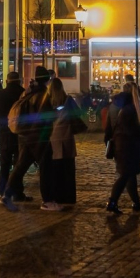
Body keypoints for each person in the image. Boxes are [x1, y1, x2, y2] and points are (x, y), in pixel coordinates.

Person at [1, 67, 51, 212]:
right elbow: (45, 117)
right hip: (37, 136)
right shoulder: (42, 95)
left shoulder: (27, 92)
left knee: (20, 167)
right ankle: (48, 201)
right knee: (46, 167)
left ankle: (7, 194)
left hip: (24, 136)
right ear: (47, 79)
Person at [104, 82, 140, 214]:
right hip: (128, 145)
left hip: (118, 144)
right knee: (125, 175)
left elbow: (109, 126)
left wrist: (107, 140)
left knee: (130, 174)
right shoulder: (131, 108)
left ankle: (136, 202)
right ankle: (112, 201)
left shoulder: (114, 105)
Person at [46, 79, 86, 208]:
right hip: (66, 135)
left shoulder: (47, 100)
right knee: (68, 168)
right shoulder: (68, 100)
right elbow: (79, 113)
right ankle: (68, 196)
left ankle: (57, 195)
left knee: (55, 168)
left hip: (52, 137)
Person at [0, 71, 26, 203]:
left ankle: (3, 191)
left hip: (4, 133)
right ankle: (17, 192)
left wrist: (0, 125)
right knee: (18, 164)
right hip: (19, 133)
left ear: (6, 81)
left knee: (4, 164)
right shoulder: (22, 93)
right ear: (19, 81)